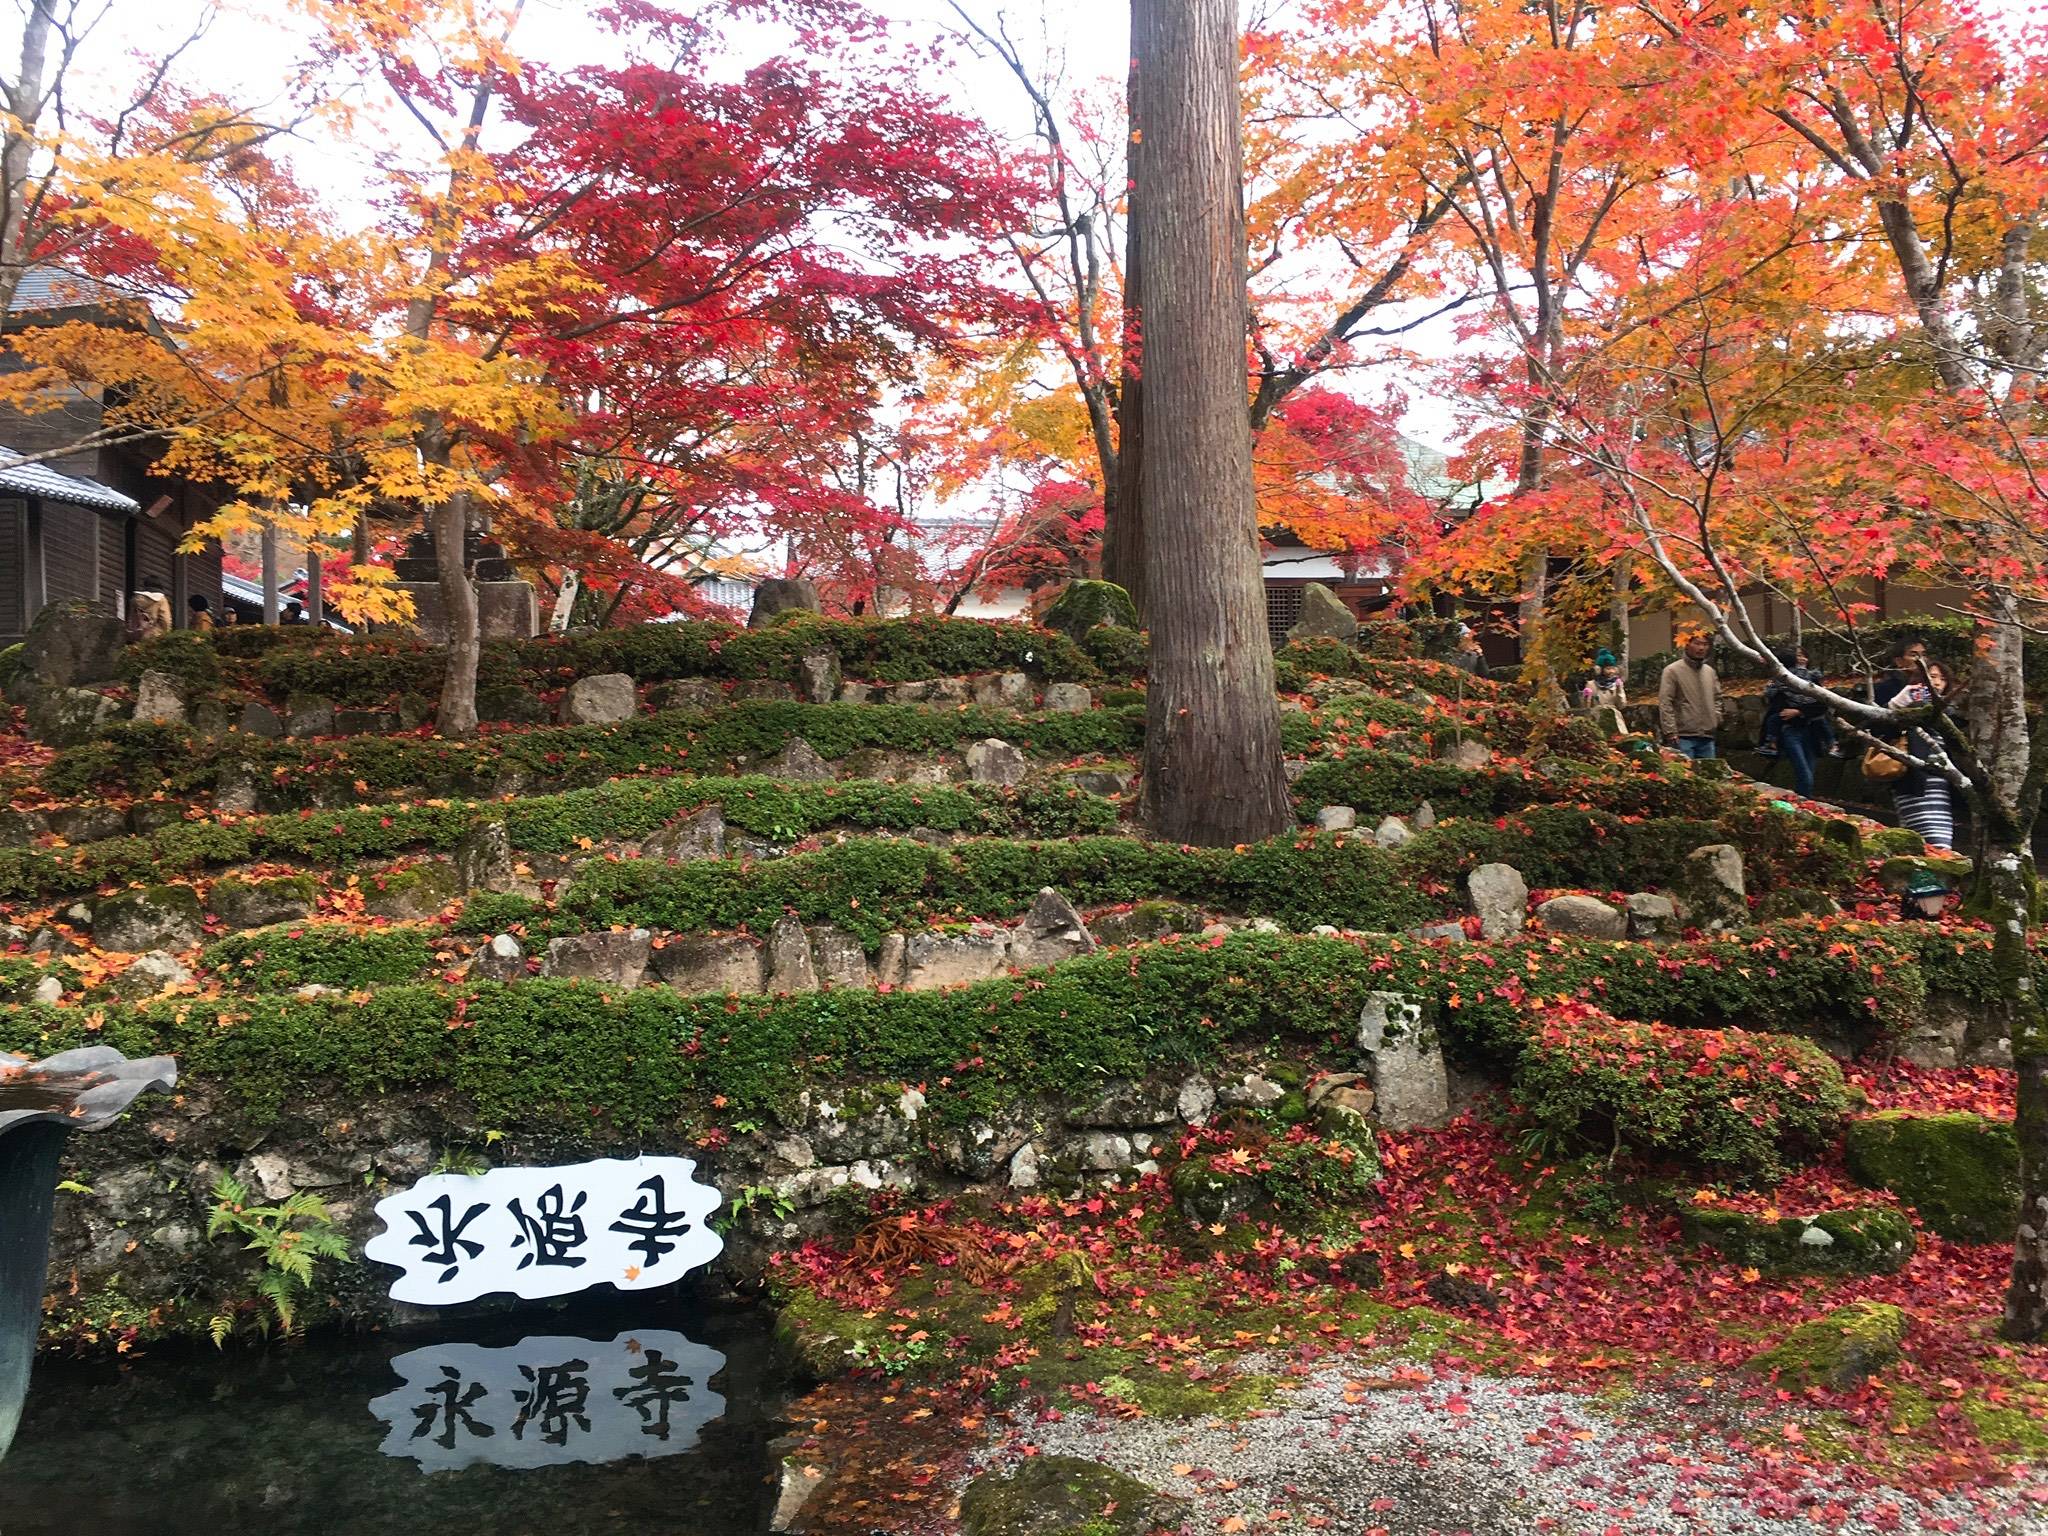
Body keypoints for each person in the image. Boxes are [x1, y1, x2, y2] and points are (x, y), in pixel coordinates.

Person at [1884, 658, 1955, 850]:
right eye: (1932, 677)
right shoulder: (1909, 702)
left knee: (1942, 836)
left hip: (1940, 782)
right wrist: (1898, 704)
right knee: (1920, 832)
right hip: (1913, 777)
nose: (1938, 682)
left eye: (1943, 678)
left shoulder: (1949, 710)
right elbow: (1886, 726)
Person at [1758, 645, 1827, 796]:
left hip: (1812, 731)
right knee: (1804, 775)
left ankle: (1804, 803)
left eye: (1803, 656)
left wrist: (1799, 711)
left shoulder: (1812, 679)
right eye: (1797, 657)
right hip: (1791, 731)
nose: (1801, 659)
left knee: (1809, 773)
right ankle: (1805, 805)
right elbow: (1777, 710)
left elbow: (1822, 705)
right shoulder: (1778, 683)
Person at [1658, 632, 1724, 758]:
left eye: (1705, 644)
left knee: (1709, 776)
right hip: (1683, 736)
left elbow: (1717, 698)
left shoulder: (1709, 672)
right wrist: (1670, 731)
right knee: (1687, 775)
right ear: (1687, 645)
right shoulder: (1672, 671)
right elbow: (1665, 702)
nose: (1701, 648)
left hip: (1707, 736)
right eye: (1697, 643)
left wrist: (1716, 718)